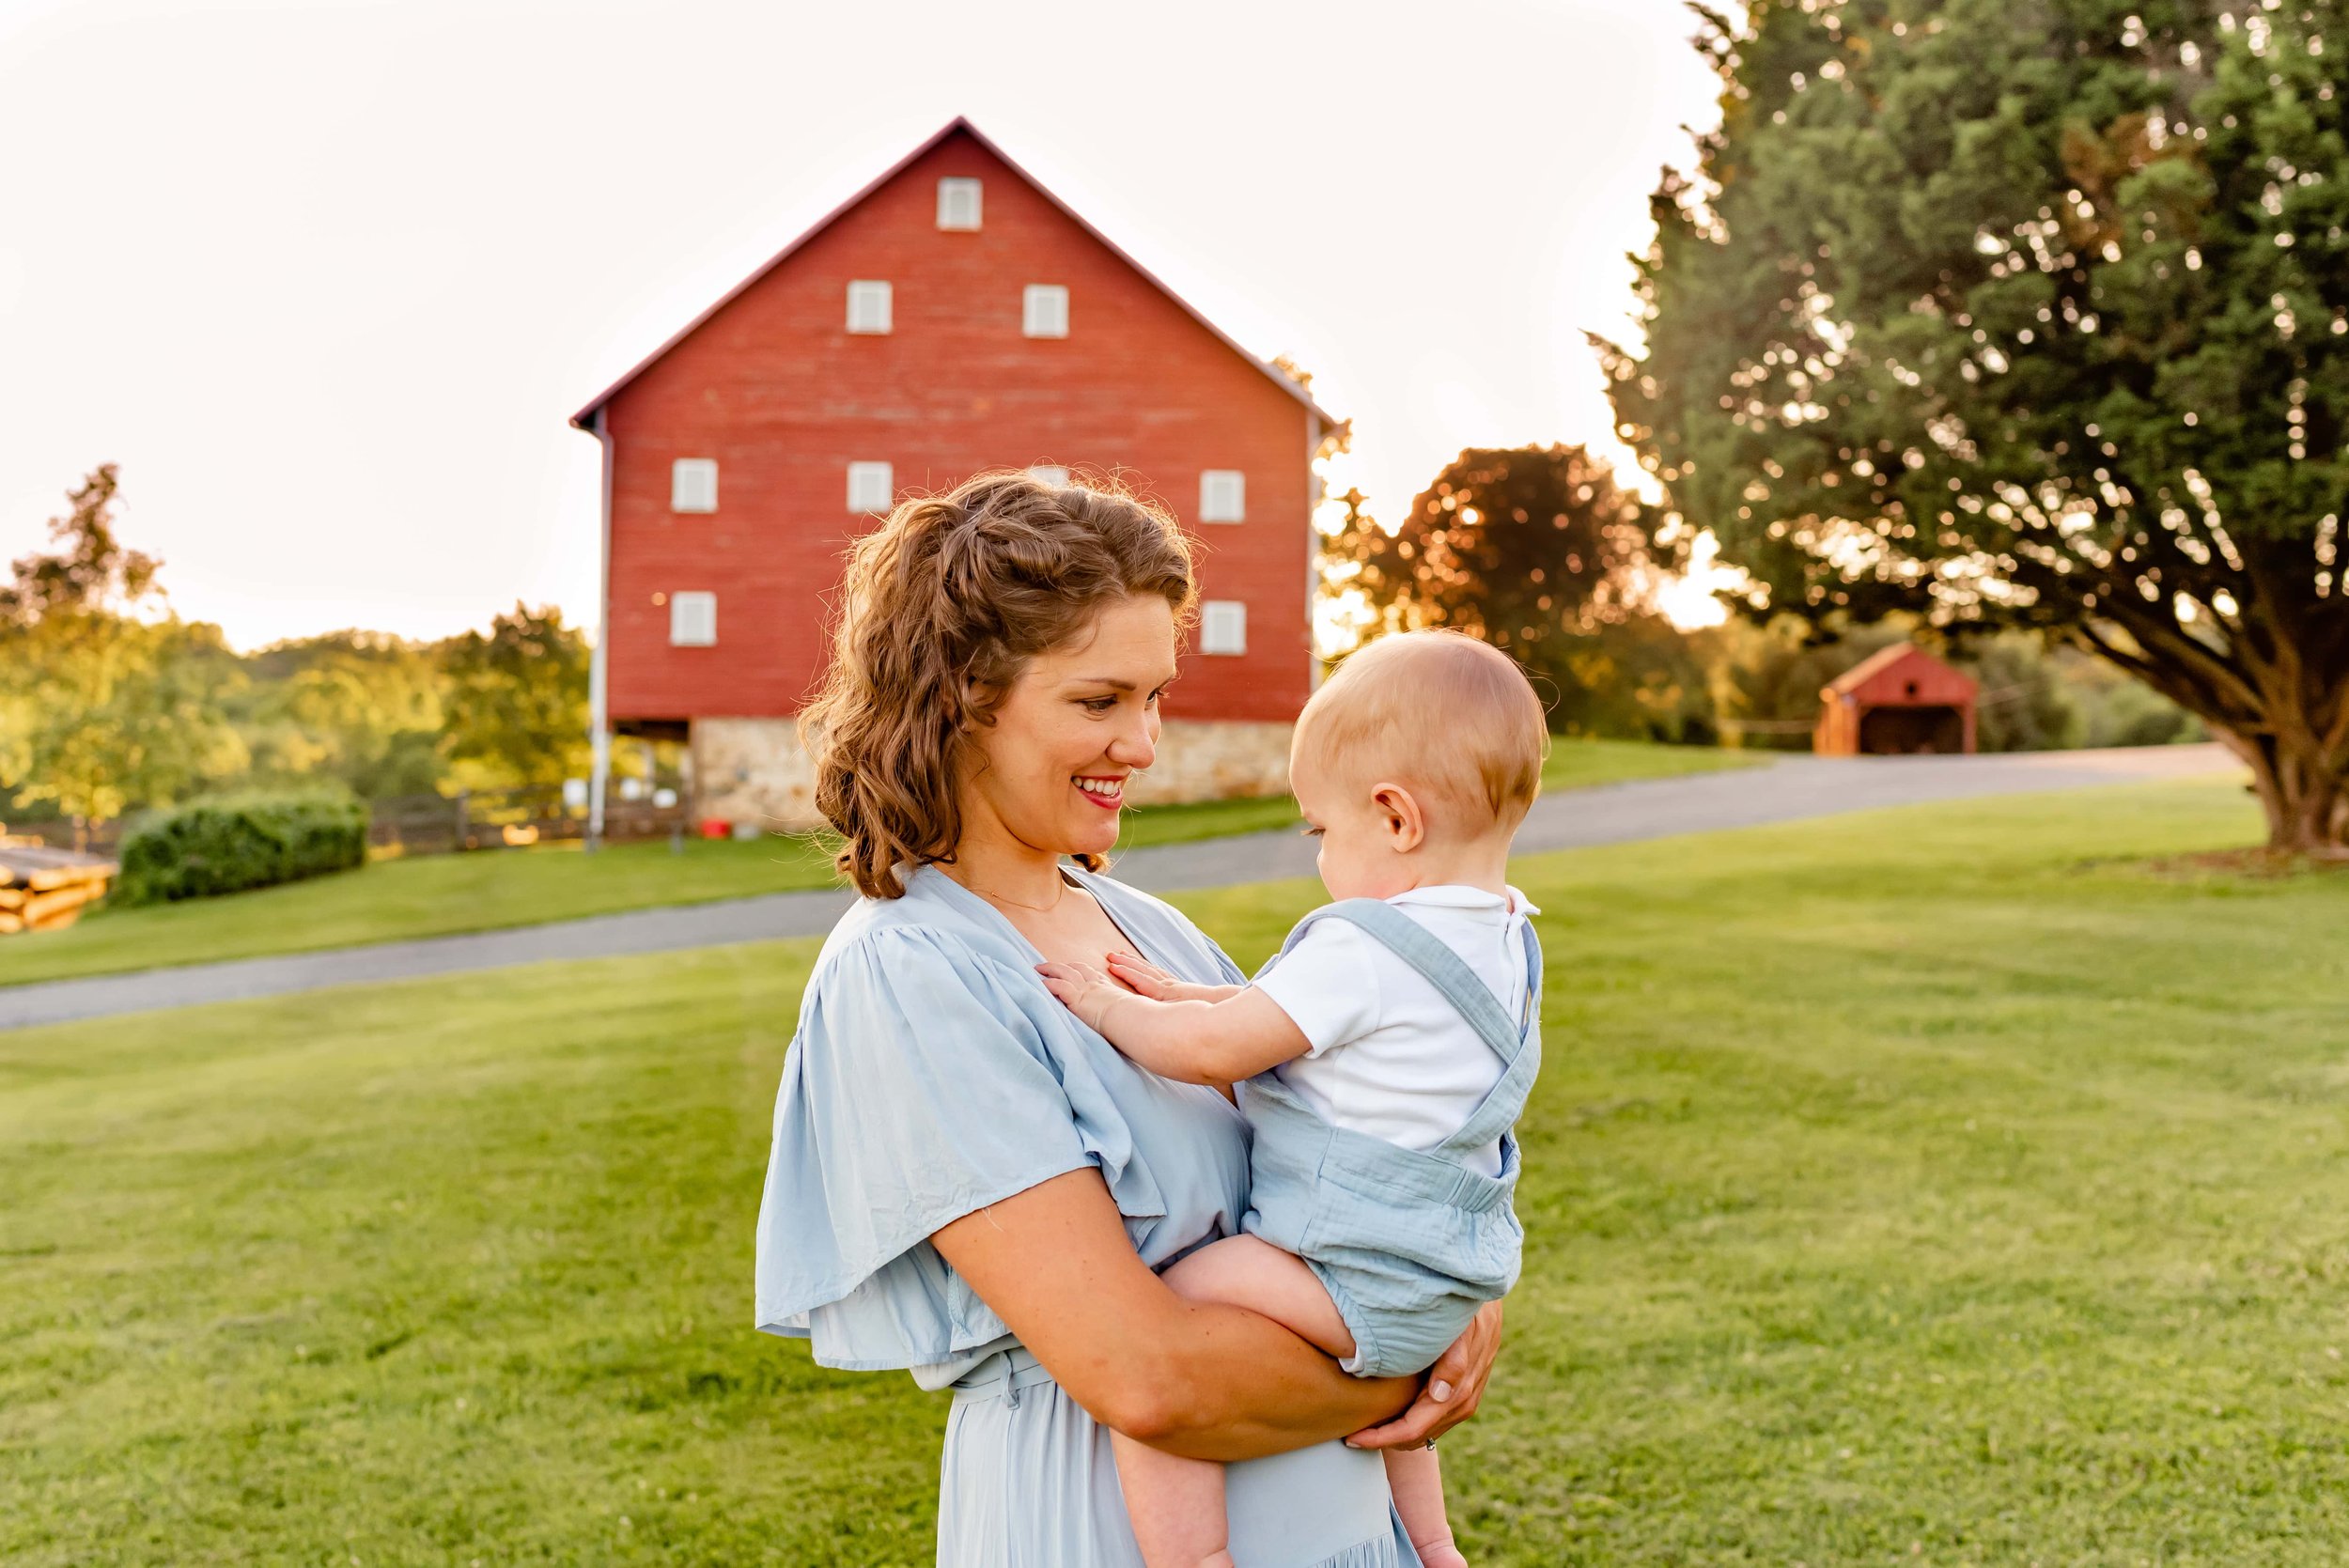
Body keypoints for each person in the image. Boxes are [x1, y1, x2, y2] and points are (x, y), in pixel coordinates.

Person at [753, 472, 1504, 1567]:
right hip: (1097, 1528)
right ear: (963, 693)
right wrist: (1409, 1349)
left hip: (1342, 1529)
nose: (1144, 745)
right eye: (1099, 702)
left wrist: (1434, 1286)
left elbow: (1349, 1173)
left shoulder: (1147, 930)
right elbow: (1144, 1377)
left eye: (1154, 697)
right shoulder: (912, 973)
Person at [1037, 630, 1546, 1568]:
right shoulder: (1504, 940)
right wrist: (1183, 990)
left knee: (1169, 1320)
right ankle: (1432, 1544)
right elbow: (1280, 1018)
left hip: (1351, 1274)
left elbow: (1211, 1051)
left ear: (1394, 818)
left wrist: (1107, 1004)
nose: (1320, 857)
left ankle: (1194, 1557)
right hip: (1444, 1285)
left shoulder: (1366, 946)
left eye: (1322, 830)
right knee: (1380, 1376)